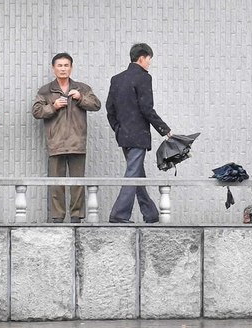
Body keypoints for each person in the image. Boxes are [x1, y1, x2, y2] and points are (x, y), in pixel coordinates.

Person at [32, 52, 102, 223]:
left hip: (77, 142)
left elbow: (96, 105)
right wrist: (53, 106)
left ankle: (77, 217)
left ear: (71, 67)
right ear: (53, 68)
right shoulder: (46, 90)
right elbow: (36, 111)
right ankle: (57, 217)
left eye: (66, 65)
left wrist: (81, 98)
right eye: (59, 66)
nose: (63, 69)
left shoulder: (82, 88)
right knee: (56, 183)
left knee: (77, 183)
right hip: (55, 142)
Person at [106, 43, 171, 224]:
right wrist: (165, 130)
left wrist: (118, 129)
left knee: (136, 173)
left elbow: (109, 109)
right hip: (138, 136)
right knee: (132, 173)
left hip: (124, 135)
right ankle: (119, 214)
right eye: (149, 60)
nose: (149, 64)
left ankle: (150, 213)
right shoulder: (143, 78)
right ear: (142, 58)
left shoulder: (116, 79)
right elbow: (146, 109)